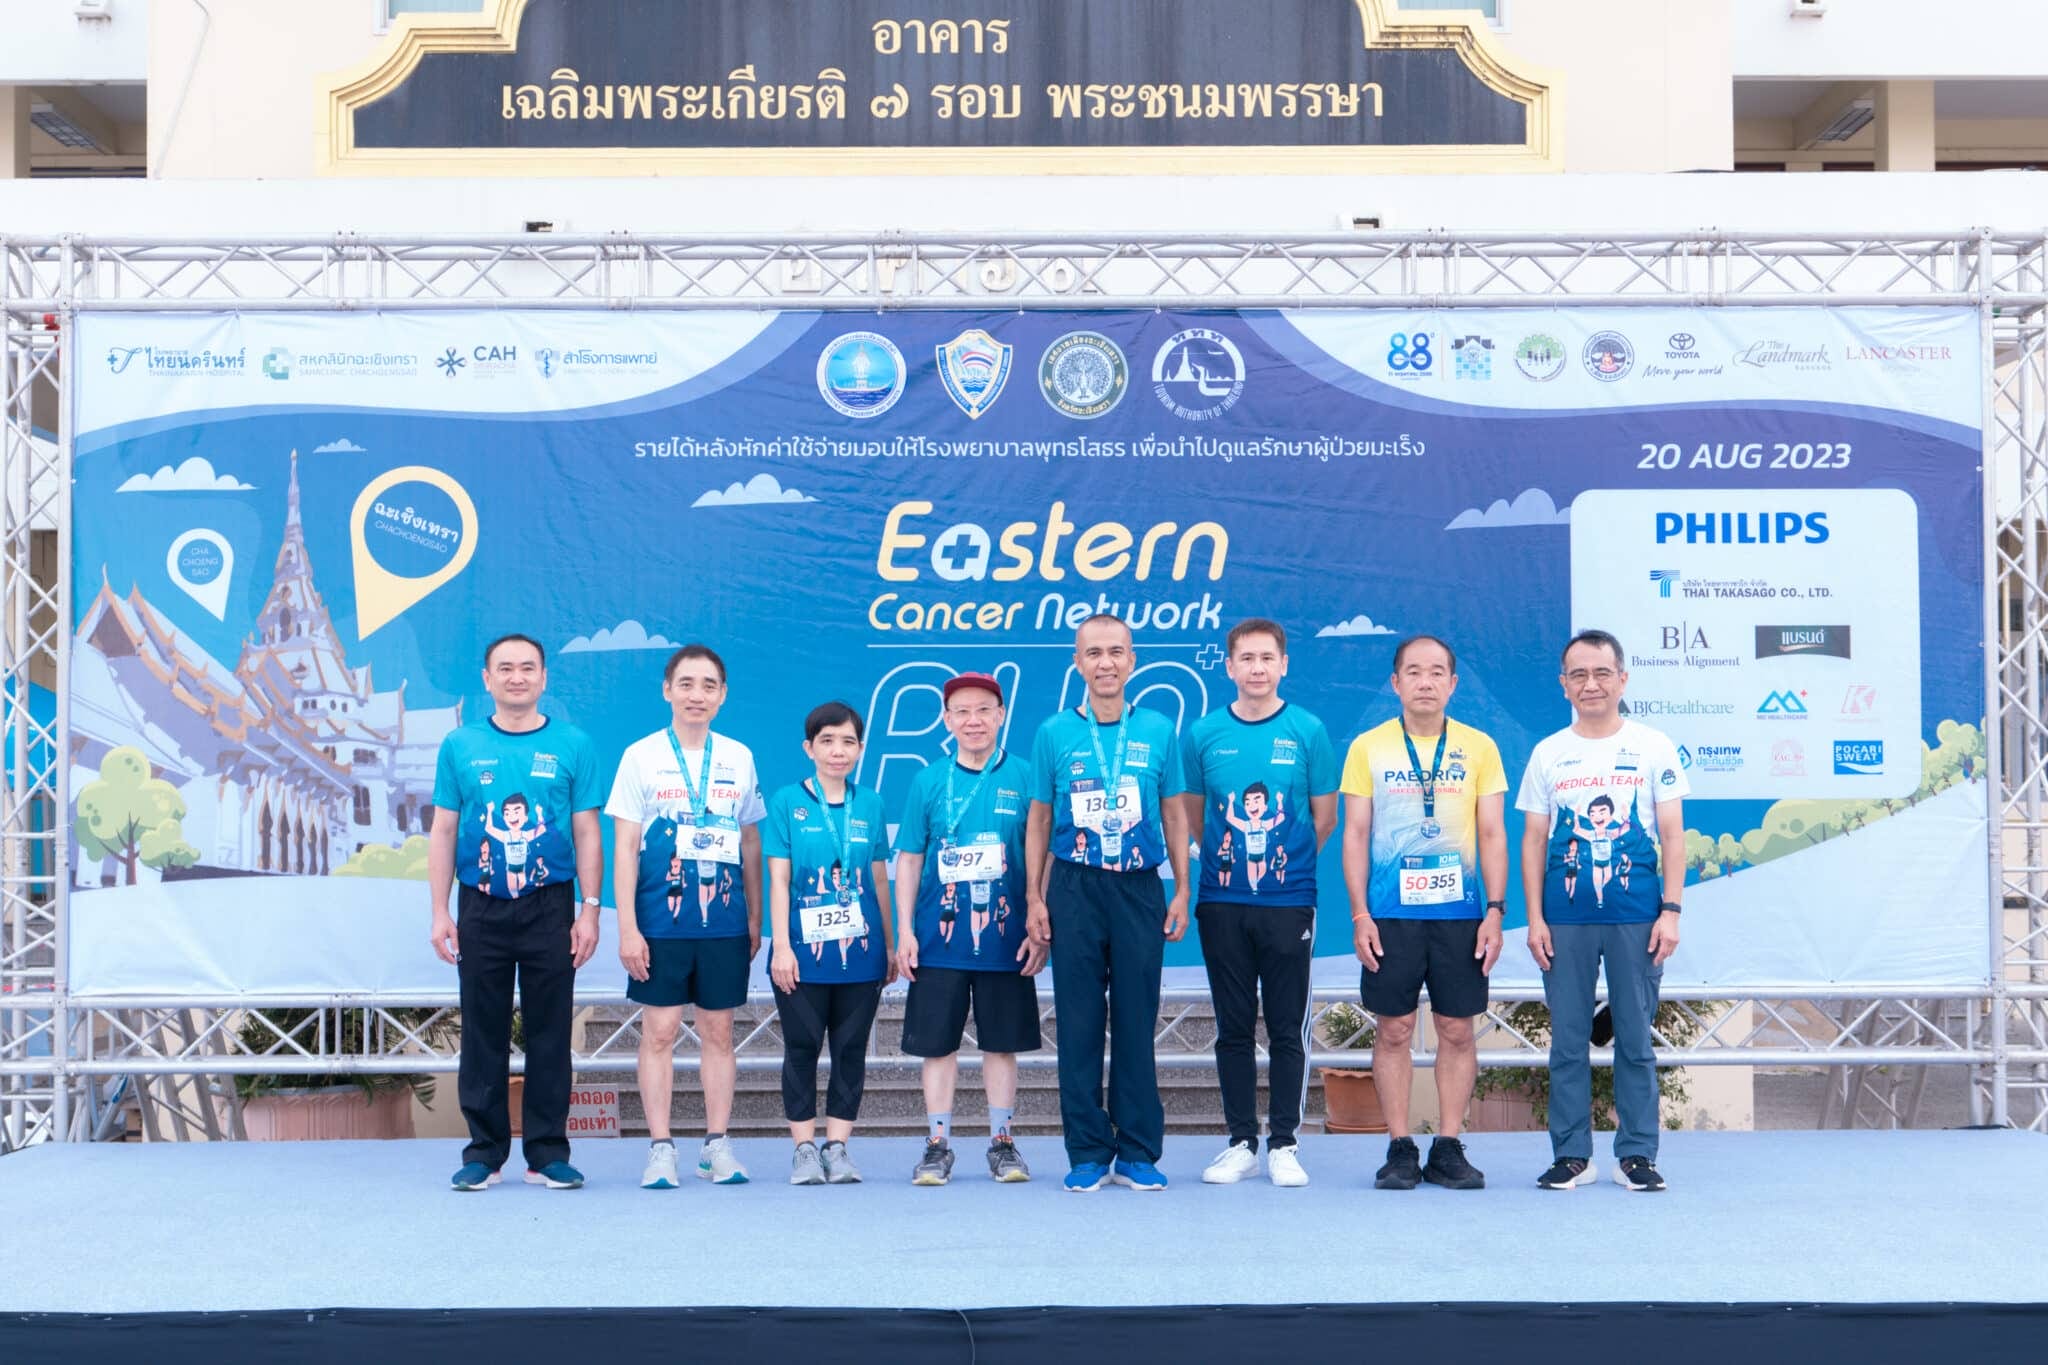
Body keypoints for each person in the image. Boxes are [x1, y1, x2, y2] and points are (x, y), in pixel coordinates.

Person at [428, 633, 602, 1192]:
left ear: (544, 678)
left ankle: (547, 1152)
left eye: (528, 668)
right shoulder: (460, 744)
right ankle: (484, 1153)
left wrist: (590, 910)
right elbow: (444, 830)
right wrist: (440, 910)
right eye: (505, 668)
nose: (517, 677)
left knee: (551, 1030)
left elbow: (586, 831)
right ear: (487, 679)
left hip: (551, 905)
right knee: (483, 1030)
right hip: (480, 906)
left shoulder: (573, 743)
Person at [1517, 629, 1687, 1193]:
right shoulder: (1549, 752)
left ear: (1622, 679)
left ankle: (1637, 1154)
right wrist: (1535, 919)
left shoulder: (1653, 746)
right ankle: (1572, 1155)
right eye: (1579, 675)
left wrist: (1671, 911)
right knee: (1568, 1041)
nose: (1590, 684)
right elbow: (1533, 840)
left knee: (1635, 1039)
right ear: (1564, 684)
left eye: (1601, 673)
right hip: (1564, 919)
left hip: (1637, 915)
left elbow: (1672, 834)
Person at [1025, 614, 1191, 1193]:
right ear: (1078, 662)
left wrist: (1181, 888)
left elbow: (1173, 813)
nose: (1105, 663)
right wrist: (1034, 896)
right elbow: (1039, 820)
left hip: (1139, 887)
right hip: (1073, 888)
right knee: (1078, 1022)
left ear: (1132, 660)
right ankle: (1088, 1152)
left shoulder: (1158, 729)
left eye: (1116, 652)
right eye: (1093, 653)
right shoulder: (1054, 732)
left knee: (1135, 1019)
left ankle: (1138, 1151)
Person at [1341, 635, 1508, 1191]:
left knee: (1457, 1029)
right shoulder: (1367, 747)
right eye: (1413, 672)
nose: (1425, 682)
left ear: (1453, 684)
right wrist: (1360, 914)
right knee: (1394, 1029)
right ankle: (1399, 1146)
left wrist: (1495, 910)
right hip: (1391, 914)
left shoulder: (1480, 746)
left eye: (1437, 672)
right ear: (1396, 683)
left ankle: (1449, 1145)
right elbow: (1356, 833)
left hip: (1460, 914)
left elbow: (1492, 833)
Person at [1181, 619, 1338, 1188]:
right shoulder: (1203, 734)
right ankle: (1241, 1141)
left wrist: (1284, 865)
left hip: (1289, 901)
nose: (1257, 668)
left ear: (1283, 665)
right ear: (1229, 667)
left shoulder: (1307, 730)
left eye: (1267, 658)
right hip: (1221, 901)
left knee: (1287, 1027)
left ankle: (1284, 1143)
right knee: (1233, 1026)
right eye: (1246, 658)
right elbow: (1195, 816)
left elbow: (1324, 818)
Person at [606, 644, 766, 1191]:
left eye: (709, 685)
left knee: (719, 1032)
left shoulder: (739, 757)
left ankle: (716, 1145)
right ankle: (661, 1148)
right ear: (667, 690)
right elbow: (625, 847)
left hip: (724, 923)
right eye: (687, 684)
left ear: (723, 696)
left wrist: (755, 917)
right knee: (660, 1031)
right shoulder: (640, 756)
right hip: (660, 922)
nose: (697, 695)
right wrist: (628, 927)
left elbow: (750, 840)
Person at [895, 672, 1045, 1186]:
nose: (973, 720)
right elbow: (910, 858)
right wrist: (905, 931)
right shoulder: (928, 780)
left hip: (1008, 940)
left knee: (1001, 1045)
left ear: (1001, 715)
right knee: (937, 1047)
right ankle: (937, 1146)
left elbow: (1042, 855)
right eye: (961, 711)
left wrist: (1038, 921)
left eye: (983, 710)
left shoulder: (1026, 777)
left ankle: (1002, 1143)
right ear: (946, 719)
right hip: (938, 941)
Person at [763, 701, 897, 1185]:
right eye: (827, 741)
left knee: (851, 1050)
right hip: (801, 954)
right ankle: (803, 1149)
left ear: (860, 749)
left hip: (862, 954)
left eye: (847, 742)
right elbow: (779, 880)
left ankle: (837, 1147)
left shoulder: (871, 804)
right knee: (801, 1048)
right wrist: (782, 946)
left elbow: (878, 880)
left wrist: (889, 945)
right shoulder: (787, 802)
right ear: (809, 748)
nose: (837, 751)